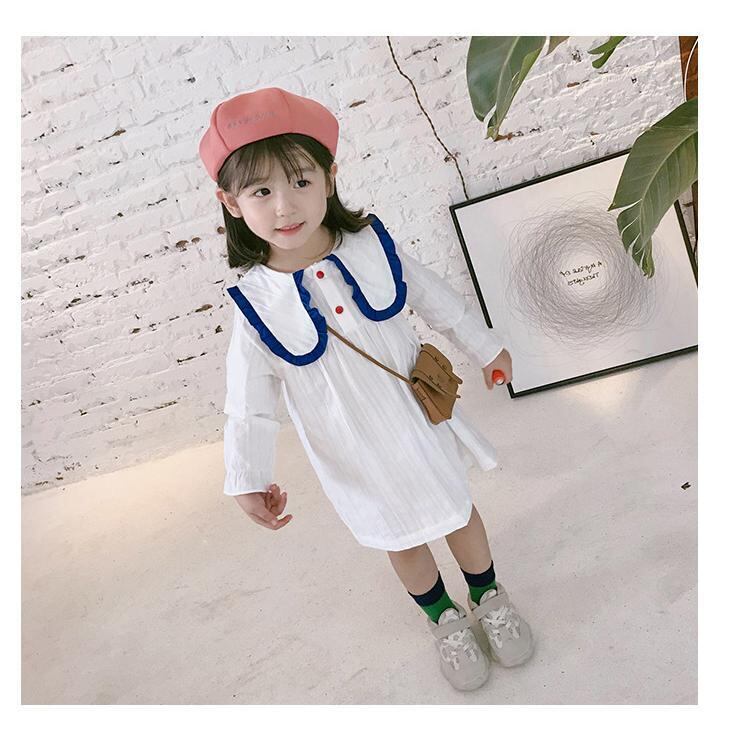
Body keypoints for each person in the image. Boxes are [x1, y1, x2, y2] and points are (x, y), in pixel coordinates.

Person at [198, 87, 535, 691]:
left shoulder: (371, 247)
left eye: (300, 181)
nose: (285, 206)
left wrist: (486, 347)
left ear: (329, 177)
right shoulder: (255, 304)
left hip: (417, 416)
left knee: (456, 508)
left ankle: (489, 596)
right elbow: (247, 404)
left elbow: (437, 299)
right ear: (230, 202)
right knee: (398, 534)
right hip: (349, 445)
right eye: (261, 192)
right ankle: (444, 618)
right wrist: (246, 477)